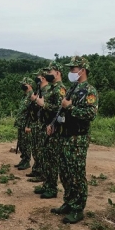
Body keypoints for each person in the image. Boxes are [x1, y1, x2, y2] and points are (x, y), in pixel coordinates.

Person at [50, 56, 98, 224]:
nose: (71, 72)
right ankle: (69, 202)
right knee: (65, 172)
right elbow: (62, 111)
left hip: (78, 139)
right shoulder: (72, 88)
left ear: (82, 70)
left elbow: (90, 114)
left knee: (76, 173)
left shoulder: (89, 90)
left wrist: (70, 107)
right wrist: (53, 124)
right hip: (65, 136)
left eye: (73, 69)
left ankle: (78, 208)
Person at [33, 61, 67, 199]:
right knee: (46, 157)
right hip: (46, 126)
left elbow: (61, 110)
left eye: (50, 72)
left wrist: (44, 104)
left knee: (52, 159)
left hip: (54, 129)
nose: (47, 74)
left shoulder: (60, 89)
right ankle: (47, 184)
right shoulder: (52, 88)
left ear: (57, 73)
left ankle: (52, 188)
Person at [25, 69, 50, 181]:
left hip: (43, 125)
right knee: (36, 149)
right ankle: (37, 170)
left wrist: (36, 101)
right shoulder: (39, 90)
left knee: (41, 150)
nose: (37, 79)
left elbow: (44, 106)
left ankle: (42, 173)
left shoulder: (47, 90)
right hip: (36, 123)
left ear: (43, 78)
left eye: (38, 77)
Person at [13, 77, 34, 170]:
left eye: (24, 84)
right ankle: (23, 159)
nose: (22, 85)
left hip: (26, 124)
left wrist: (29, 125)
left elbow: (32, 113)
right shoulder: (24, 96)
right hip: (21, 124)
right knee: (21, 143)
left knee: (26, 143)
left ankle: (27, 161)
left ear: (30, 85)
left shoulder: (32, 96)